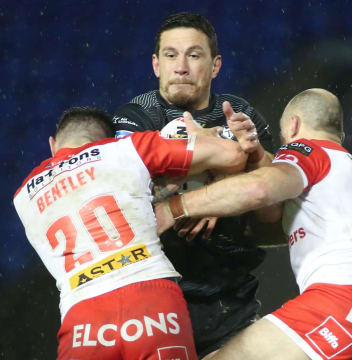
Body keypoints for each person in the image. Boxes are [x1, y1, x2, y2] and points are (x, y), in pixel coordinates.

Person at [155, 89, 352, 360]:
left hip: (341, 303)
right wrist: (253, 158)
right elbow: (276, 221)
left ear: (293, 125)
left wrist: (175, 208)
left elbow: (260, 189)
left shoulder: (308, 150)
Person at [13, 106, 249, 360]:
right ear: (107, 140)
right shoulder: (126, 149)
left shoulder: (22, 197)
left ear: (52, 144)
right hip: (151, 300)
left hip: (83, 319)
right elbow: (232, 154)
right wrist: (207, 138)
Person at [112, 12, 275, 356]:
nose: (181, 67)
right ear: (156, 65)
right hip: (156, 304)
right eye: (171, 55)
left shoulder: (242, 115)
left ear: (215, 66)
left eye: (194, 55)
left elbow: (273, 209)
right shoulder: (135, 117)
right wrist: (217, 182)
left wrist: (250, 159)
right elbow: (125, 198)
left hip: (231, 306)